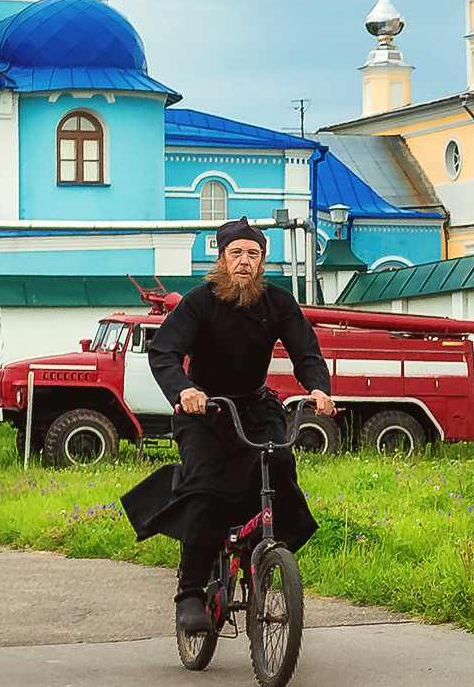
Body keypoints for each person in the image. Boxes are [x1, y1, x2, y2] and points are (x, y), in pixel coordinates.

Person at [120, 216, 335, 635]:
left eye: (252, 254)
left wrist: (319, 389)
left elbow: (306, 350)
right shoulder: (198, 302)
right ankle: (191, 591)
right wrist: (184, 390)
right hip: (205, 411)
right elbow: (164, 352)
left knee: (281, 472)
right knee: (204, 488)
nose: (244, 261)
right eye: (235, 253)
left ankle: (265, 557)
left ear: (262, 262)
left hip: (256, 408)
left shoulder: (278, 302)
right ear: (221, 259)